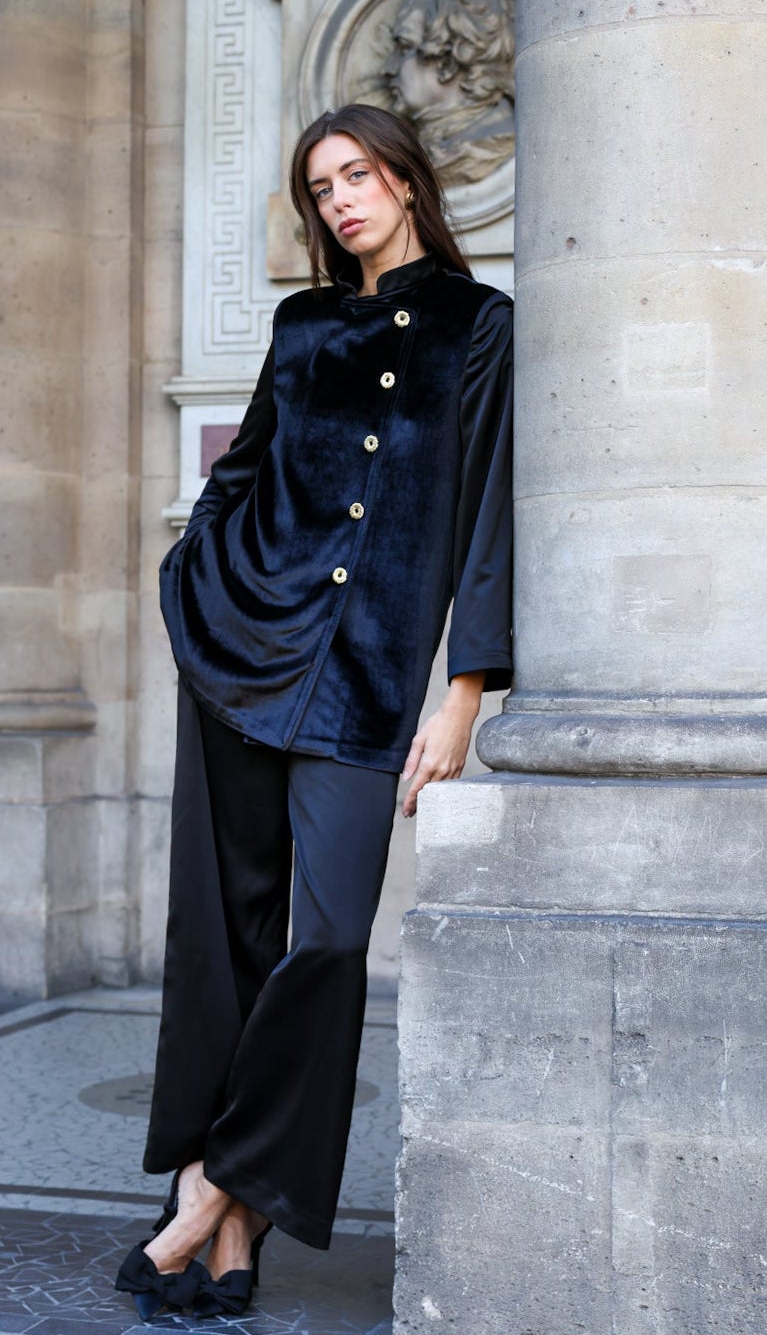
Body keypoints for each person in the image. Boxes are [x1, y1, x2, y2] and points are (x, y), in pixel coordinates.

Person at [114, 103, 513, 1322]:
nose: (339, 200)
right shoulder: (301, 327)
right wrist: (193, 578)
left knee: (328, 940)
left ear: (404, 181)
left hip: (368, 679)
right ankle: (233, 1245)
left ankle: (211, 1187)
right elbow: (240, 472)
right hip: (241, 655)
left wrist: (463, 696)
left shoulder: (479, 325)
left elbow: (489, 519)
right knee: (226, 933)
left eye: (355, 175)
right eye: (320, 187)